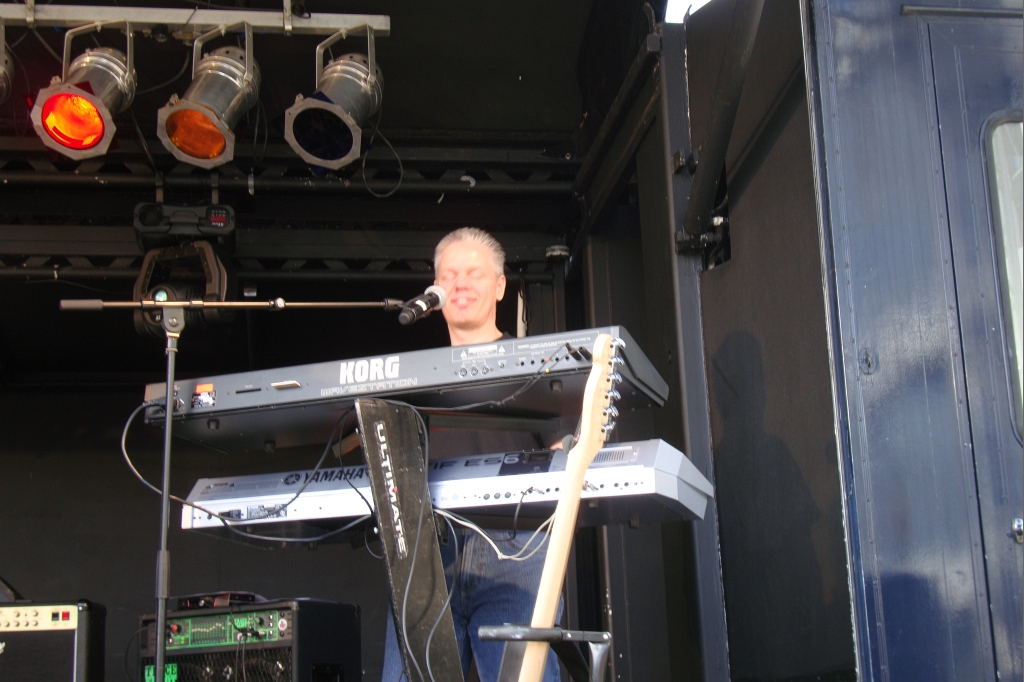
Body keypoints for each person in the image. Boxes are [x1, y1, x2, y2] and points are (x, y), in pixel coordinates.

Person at [381, 227, 562, 682]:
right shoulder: (412, 379)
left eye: (473, 274)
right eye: (449, 276)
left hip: (515, 551)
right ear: (433, 291)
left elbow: (567, 457)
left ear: (500, 286)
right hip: (427, 552)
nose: (460, 284)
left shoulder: (538, 362)